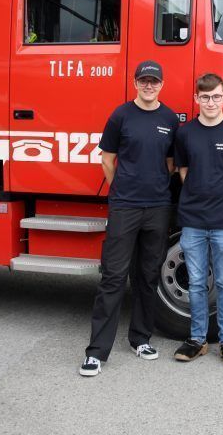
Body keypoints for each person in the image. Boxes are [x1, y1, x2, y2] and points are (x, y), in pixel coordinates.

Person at [80, 60, 178, 377]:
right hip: (125, 206)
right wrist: (121, 189)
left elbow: (171, 163)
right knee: (113, 277)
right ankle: (96, 352)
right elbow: (107, 159)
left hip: (158, 207)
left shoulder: (169, 119)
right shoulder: (121, 116)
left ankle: (140, 339)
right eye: (143, 81)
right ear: (135, 83)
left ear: (162, 84)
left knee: (148, 276)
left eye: (154, 81)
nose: (149, 86)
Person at [172, 73, 223, 365]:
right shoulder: (185, 133)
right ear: (196, 99)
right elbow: (182, 171)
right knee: (195, 282)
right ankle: (197, 340)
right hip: (192, 220)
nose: (211, 102)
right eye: (205, 97)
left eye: (216, 96)